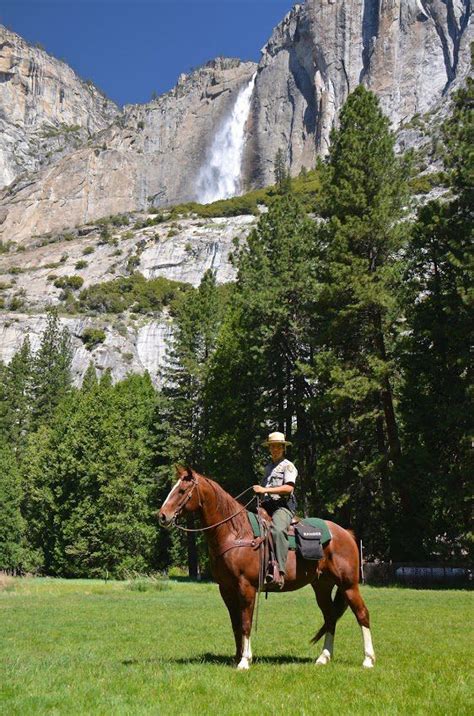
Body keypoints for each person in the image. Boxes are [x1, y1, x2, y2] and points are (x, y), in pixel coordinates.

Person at [253, 431, 297, 588]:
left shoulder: (288, 466)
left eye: (278, 446)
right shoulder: (268, 467)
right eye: (272, 447)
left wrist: (264, 490)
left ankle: (280, 572)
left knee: (277, 530)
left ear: (283, 448)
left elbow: (288, 489)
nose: (275, 449)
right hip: (267, 506)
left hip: (283, 506)